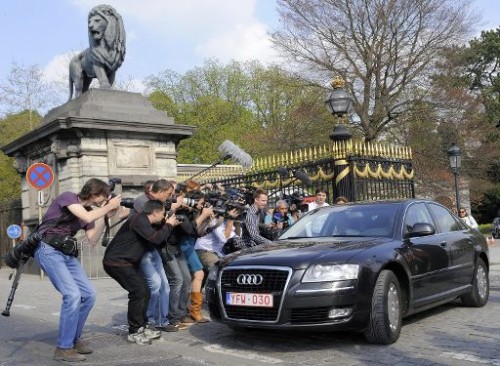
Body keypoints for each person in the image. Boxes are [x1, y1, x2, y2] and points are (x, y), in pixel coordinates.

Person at [34, 178, 121, 362]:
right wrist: (106, 207)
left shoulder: (90, 211)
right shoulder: (68, 197)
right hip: (48, 249)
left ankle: (74, 338)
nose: (106, 199)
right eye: (104, 196)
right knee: (72, 295)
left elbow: (92, 240)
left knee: (89, 295)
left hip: (66, 253)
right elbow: (87, 217)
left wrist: (105, 216)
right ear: (93, 193)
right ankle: (64, 348)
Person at [103, 200, 180, 345]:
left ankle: (142, 326)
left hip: (129, 263)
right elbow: (156, 238)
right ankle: (134, 331)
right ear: (155, 212)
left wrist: (168, 225)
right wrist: (169, 224)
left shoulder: (148, 223)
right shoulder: (138, 219)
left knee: (145, 291)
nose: (164, 216)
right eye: (163, 213)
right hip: (117, 262)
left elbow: (160, 240)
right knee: (138, 292)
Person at [132, 179, 180, 332]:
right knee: (154, 286)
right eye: (168, 194)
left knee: (164, 286)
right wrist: (168, 221)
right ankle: (148, 319)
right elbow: (149, 223)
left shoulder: (161, 204)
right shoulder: (142, 201)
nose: (169, 197)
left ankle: (162, 321)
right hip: (141, 249)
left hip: (153, 248)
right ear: (160, 192)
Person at [170, 189, 214, 323]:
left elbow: (197, 233)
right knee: (197, 274)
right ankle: (193, 310)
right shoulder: (182, 212)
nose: (201, 206)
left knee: (190, 277)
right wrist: (202, 216)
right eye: (200, 203)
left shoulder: (191, 212)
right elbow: (189, 230)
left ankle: (190, 309)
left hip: (189, 244)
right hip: (183, 245)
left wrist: (206, 220)